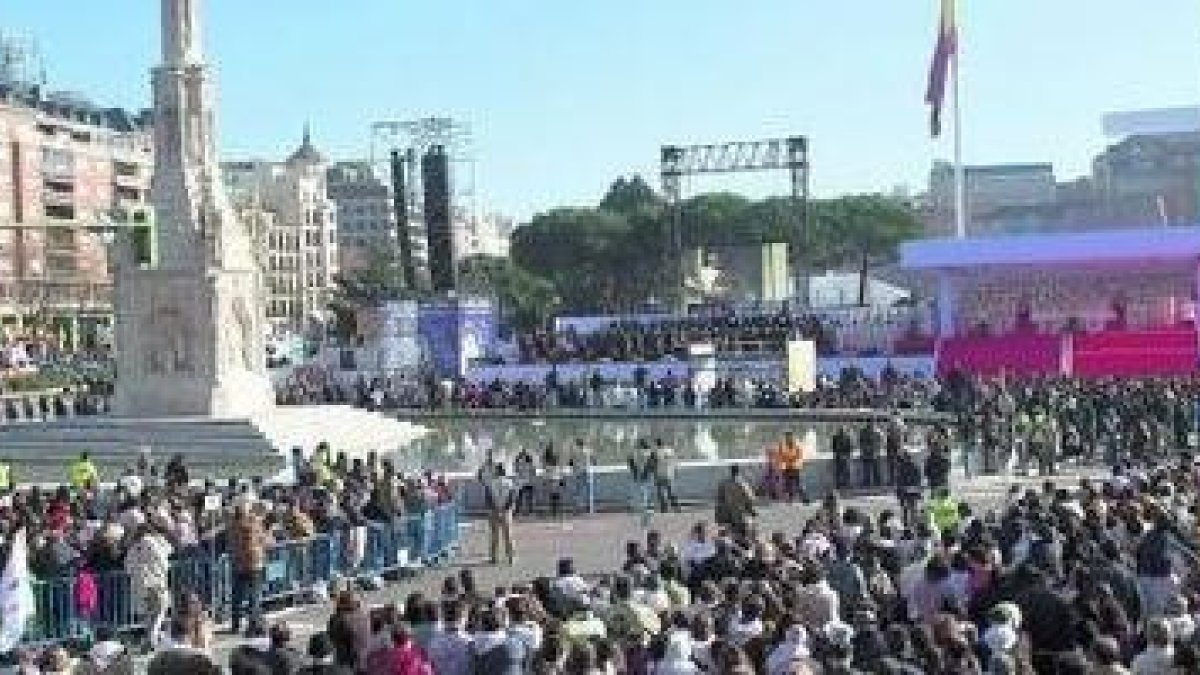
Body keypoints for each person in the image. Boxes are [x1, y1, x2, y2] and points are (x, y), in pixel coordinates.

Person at [124, 524, 173, 649]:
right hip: (156, 580)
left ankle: (150, 638)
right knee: (160, 609)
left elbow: (128, 567)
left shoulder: (133, 547)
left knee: (149, 613)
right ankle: (153, 637)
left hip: (140, 583)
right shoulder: (153, 542)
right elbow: (164, 559)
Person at [229, 501, 271, 636]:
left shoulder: (233, 526)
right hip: (254, 563)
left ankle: (235, 625)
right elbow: (264, 540)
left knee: (237, 597)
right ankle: (253, 625)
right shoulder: (253, 524)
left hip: (238, 564)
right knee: (254, 596)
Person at [483, 464, 516, 565]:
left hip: (494, 511)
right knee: (508, 535)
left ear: (496, 472)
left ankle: (494, 557)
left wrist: (495, 509)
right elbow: (512, 498)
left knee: (494, 535)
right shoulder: (510, 483)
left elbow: (488, 498)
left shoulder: (491, 483)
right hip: (506, 512)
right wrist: (505, 509)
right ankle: (511, 558)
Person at [715, 465, 756, 538]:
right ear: (738, 471)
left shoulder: (723, 483)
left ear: (730, 471)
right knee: (745, 532)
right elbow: (750, 498)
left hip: (726, 513)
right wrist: (751, 510)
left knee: (727, 534)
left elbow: (719, 498)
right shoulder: (743, 484)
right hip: (739, 514)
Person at [774, 431, 806, 502]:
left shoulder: (796, 445)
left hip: (795, 468)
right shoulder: (781, 445)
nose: (789, 438)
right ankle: (790, 499)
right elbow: (778, 457)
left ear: (792, 437)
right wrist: (781, 465)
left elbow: (800, 456)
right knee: (787, 484)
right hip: (786, 468)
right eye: (787, 436)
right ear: (785, 437)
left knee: (797, 484)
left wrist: (795, 462)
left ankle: (803, 498)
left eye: (790, 436)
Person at [651, 438, 682, 513]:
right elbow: (675, 462)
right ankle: (676, 507)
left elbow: (653, 464)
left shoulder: (655, 452)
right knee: (671, 492)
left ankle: (664, 508)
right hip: (670, 474)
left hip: (660, 474)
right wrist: (675, 471)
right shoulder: (671, 451)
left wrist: (653, 474)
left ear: (657, 444)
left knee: (661, 492)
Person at [858, 423, 882, 489]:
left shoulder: (877, 432)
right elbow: (861, 443)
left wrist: (876, 451)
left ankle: (877, 482)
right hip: (867, 453)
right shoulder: (863, 432)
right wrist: (864, 450)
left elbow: (879, 443)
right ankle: (867, 482)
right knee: (867, 469)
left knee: (875, 469)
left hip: (874, 453)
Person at [830, 426, 854, 491]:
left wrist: (847, 455)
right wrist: (837, 454)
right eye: (841, 431)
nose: (842, 432)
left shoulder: (847, 438)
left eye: (843, 431)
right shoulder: (835, 438)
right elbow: (833, 447)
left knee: (846, 471)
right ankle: (838, 484)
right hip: (838, 456)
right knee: (838, 471)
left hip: (845, 456)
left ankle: (846, 484)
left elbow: (850, 447)